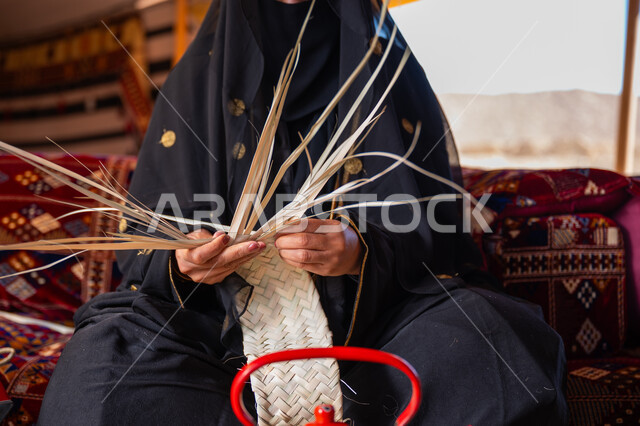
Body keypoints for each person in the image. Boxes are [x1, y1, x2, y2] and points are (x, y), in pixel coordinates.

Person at [40, 0, 568, 424]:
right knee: (103, 367)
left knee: (490, 341)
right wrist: (186, 264)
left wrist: (360, 249)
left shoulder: (388, 72)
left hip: (380, 326)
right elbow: (147, 239)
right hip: (214, 336)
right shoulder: (193, 83)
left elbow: (435, 226)